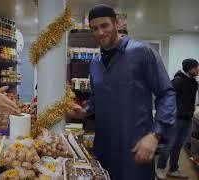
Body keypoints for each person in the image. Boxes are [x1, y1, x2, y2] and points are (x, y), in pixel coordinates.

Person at [67, 4, 177, 180]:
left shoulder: (142, 52)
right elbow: (96, 99)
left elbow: (167, 94)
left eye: (105, 26)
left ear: (116, 24)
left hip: (135, 150)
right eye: (94, 28)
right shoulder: (95, 63)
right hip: (104, 150)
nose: (100, 33)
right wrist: (85, 111)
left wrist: (155, 135)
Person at [156, 59, 199, 179]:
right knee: (168, 145)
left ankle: (173, 169)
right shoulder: (177, 81)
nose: (198, 69)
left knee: (178, 146)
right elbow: (165, 99)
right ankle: (160, 168)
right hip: (175, 119)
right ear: (189, 68)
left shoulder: (194, 83)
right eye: (196, 67)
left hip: (187, 119)